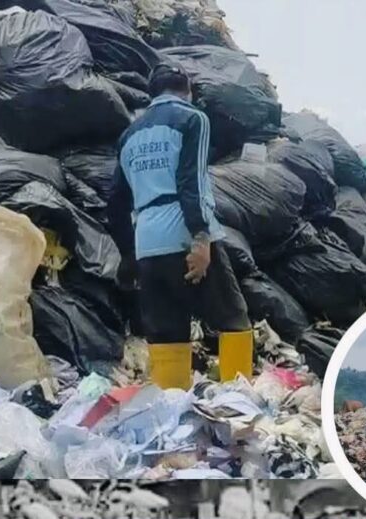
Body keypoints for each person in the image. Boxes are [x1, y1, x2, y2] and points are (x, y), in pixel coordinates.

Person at [108, 62, 253, 390]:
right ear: (187, 90)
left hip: (147, 242)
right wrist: (201, 240)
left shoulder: (129, 135)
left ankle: (173, 412)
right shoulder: (192, 119)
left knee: (167, 332)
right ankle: (238, 406)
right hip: (183, 234)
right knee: (234, 320)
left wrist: (130, 257)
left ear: (151, 93)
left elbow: (114, 204)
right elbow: (192, 184)